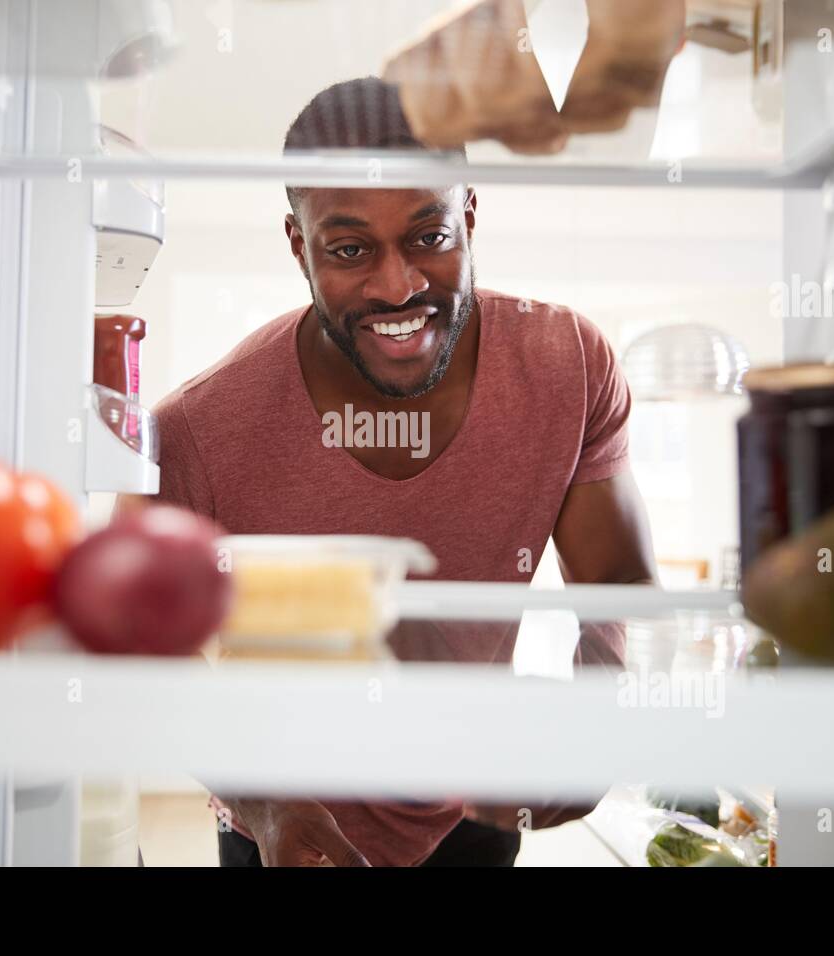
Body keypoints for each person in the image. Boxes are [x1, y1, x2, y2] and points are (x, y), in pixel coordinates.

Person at [119, 77, 656, 867]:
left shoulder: (567, 364)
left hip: (477, 802)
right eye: (349, 250)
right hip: (281, 816)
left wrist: (599, 721)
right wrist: (264, 805)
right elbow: (138, 640)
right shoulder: (199, 429)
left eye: (429, 237)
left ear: (470, 213)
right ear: (300, 247)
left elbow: (618, 580)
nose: (398, 284)